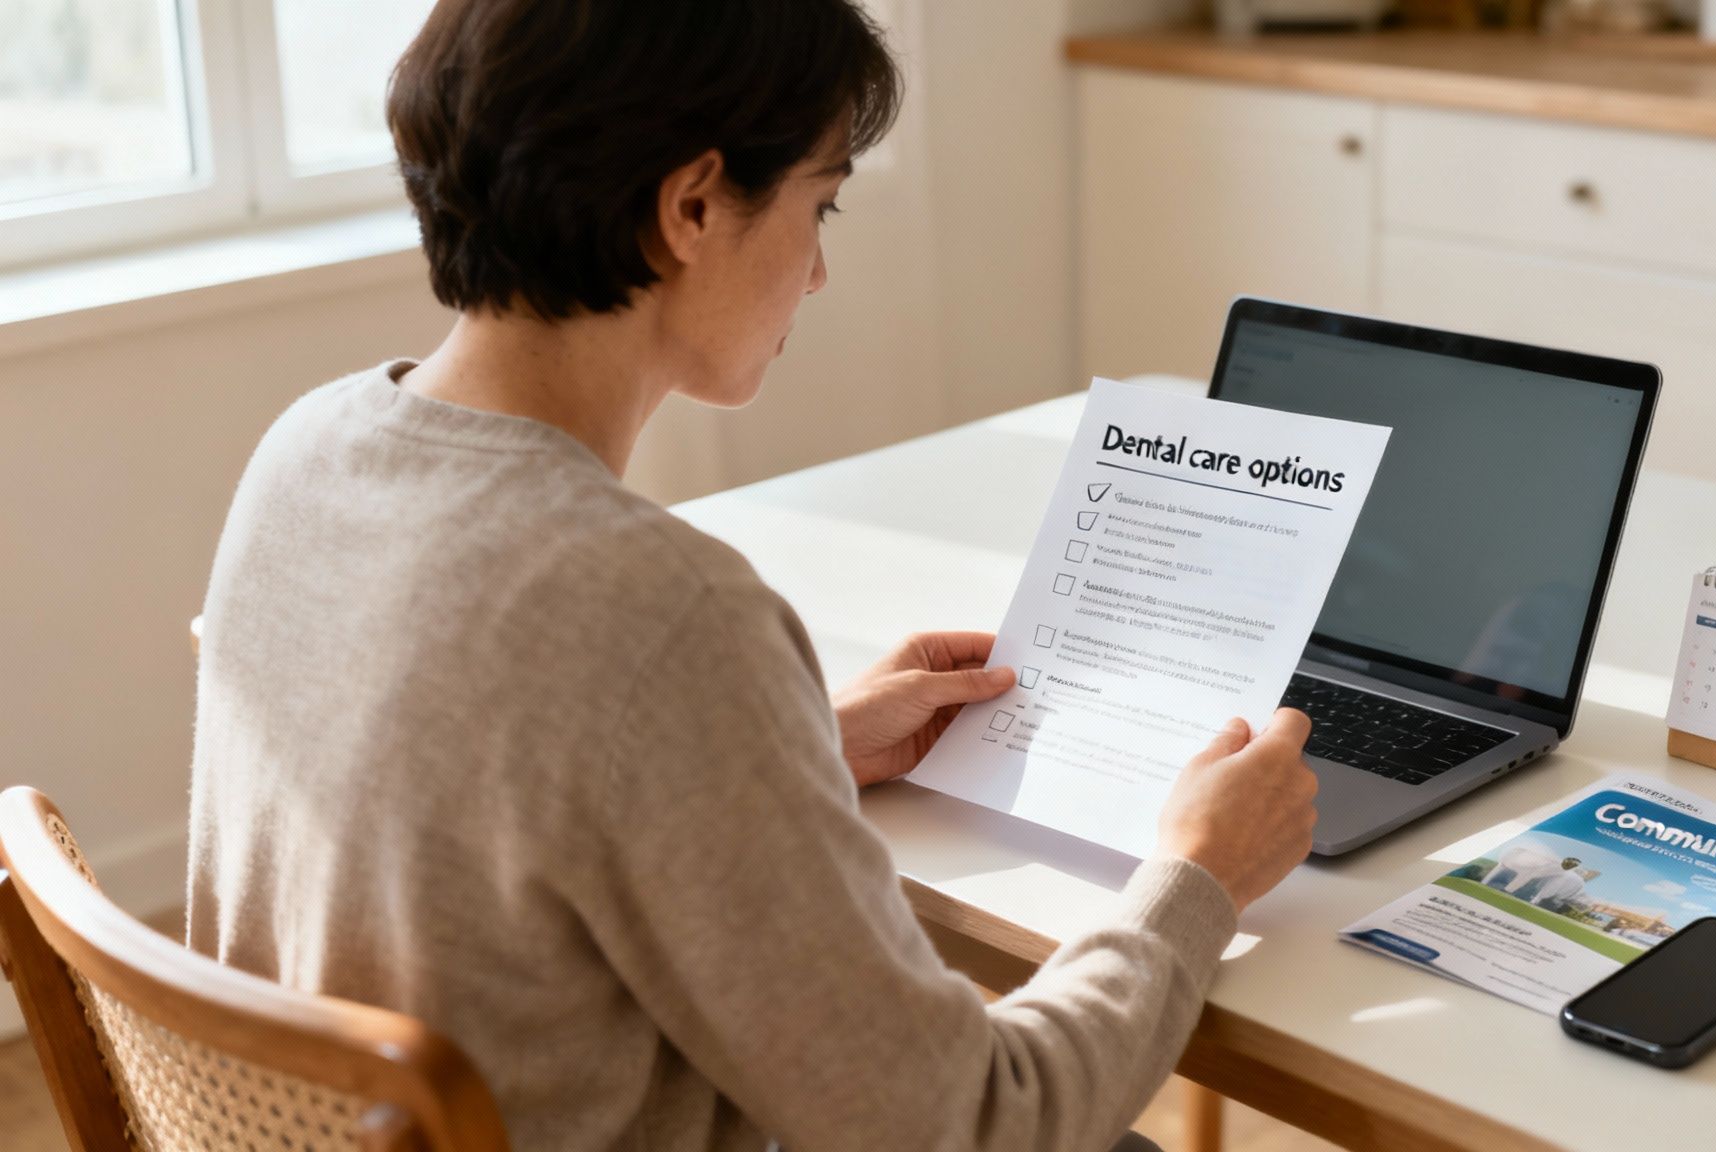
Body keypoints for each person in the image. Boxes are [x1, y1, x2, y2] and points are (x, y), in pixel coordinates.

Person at [185, 3, 1318, 1151]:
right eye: (816, 204)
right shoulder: (660, 611)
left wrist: (796, 746)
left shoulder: (306, 449)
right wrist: (1197, 873)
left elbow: (472, 792)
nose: (818, 271)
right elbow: (973, 1123)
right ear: (690, 207)